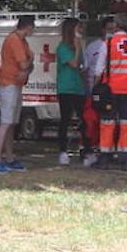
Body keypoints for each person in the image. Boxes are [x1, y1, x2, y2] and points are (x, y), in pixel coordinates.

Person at [98, 14, 127, 168]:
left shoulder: (108, 43)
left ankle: (105, 158)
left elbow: (99, 70)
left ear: (115, 26)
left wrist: (97, 88)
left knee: (107, 123)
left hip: (110, 91)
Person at [0, 15, 34, 173]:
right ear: (28, 27)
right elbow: (25, 63)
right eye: (32, 28)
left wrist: (28, 66)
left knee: (11, 123)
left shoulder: (22, 41)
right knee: (6, 122)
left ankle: (9, 157)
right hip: (9, 83)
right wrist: (30, 61)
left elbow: (28, 66)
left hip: (16, 84)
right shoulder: (15, 40)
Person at [80, 16, 114, 168]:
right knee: (90, 122)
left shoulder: (117, 46)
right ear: (103, 30)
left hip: (112, 91)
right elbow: (86, 69)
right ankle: (87, 149)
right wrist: (88, 89)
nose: (111, 32)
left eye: (114, 29)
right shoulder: (92, 47)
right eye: (109, 29)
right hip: (93, 91)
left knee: (108, 123)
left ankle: (106, 150)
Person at [55, 17, 85, 166]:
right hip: (66, 88)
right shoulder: (63, 48)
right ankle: (62, 151)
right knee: (65, 119)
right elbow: (73, 63)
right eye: (78, 28)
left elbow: (81, 66)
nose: (80, 31)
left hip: (79, 88)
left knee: (83, 120)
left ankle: (85, 151)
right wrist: (78, 47)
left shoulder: (77, 47)